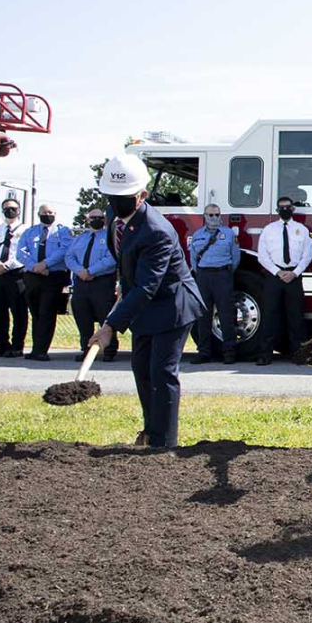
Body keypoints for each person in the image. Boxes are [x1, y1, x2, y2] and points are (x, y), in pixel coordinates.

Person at [92, 154, 205, 448]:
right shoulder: (113, 216)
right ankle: (151, 430)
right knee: (141, 366)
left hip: (172, 304)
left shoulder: (157, 232)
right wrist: (121, 283)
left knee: (162, 371)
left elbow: (147, 287)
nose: (116, 203)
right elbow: (126, 260)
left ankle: (163, 444)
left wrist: (110, 327)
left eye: (124, 197)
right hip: (143, 301)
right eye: (111, 196)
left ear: (142, 195)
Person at [256, 195, 312, 365]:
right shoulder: (269, 229)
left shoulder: (302, 230)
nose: (284, 209)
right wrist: (278, 272)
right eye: (281, 207)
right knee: (270, 316)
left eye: (287, 207)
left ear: (293, 209)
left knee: (296, 317)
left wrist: (295, 273)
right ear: (277, 210)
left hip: (294, 277)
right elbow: (262, 255)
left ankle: (299, 354)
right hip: (274, 277)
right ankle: (265, 354)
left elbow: (307, 255)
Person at [16, 203, 73, 361]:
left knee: (46, 312)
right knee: (35, 313)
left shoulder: (63, 231)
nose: (47, 215)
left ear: (55, 213)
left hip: (53, 276)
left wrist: (45, 264)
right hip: (33, 276)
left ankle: (42, 350)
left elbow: (64, 250)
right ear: (38, 214)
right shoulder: (30, 232)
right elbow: (21, 252)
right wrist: (34, 266)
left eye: (50, 212)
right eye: (44, 212)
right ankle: (35, 349)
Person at [187, 203, 241, 364]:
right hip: (203, 276)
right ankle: (204, 352)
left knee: (226, 315)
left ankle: (229, 352)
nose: (214, 218)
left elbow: (235, 257)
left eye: (217, 215)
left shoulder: (229, 234)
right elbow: (193, 260)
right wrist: (202, 273)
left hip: (222, 276)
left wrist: (225, 273)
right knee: (203, 316)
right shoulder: (197, 235)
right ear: (204, 216)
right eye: (210, 215)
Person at [66, 207, 119, 362]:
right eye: (93, 217)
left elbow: (112, 259)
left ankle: (109, 350)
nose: (97, 220)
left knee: (105, 317)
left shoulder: (110, 237)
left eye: (100, 217)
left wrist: (91, 271)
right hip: (81, 283)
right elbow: (69, 257)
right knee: (83, 317)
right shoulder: (80, 238)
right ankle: (86, 349)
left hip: (101, 282)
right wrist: (80, 271)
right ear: (87, 219)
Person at [0, 196, 28, 357]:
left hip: (16, 275)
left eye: (13, 208)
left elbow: (24, 252)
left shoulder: (25, 230)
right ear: (2, 211)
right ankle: (1, 345)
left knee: (18, 312)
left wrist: (8, 265)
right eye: (7, 208)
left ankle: (17, 347)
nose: (10, 211)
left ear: (18, 211)